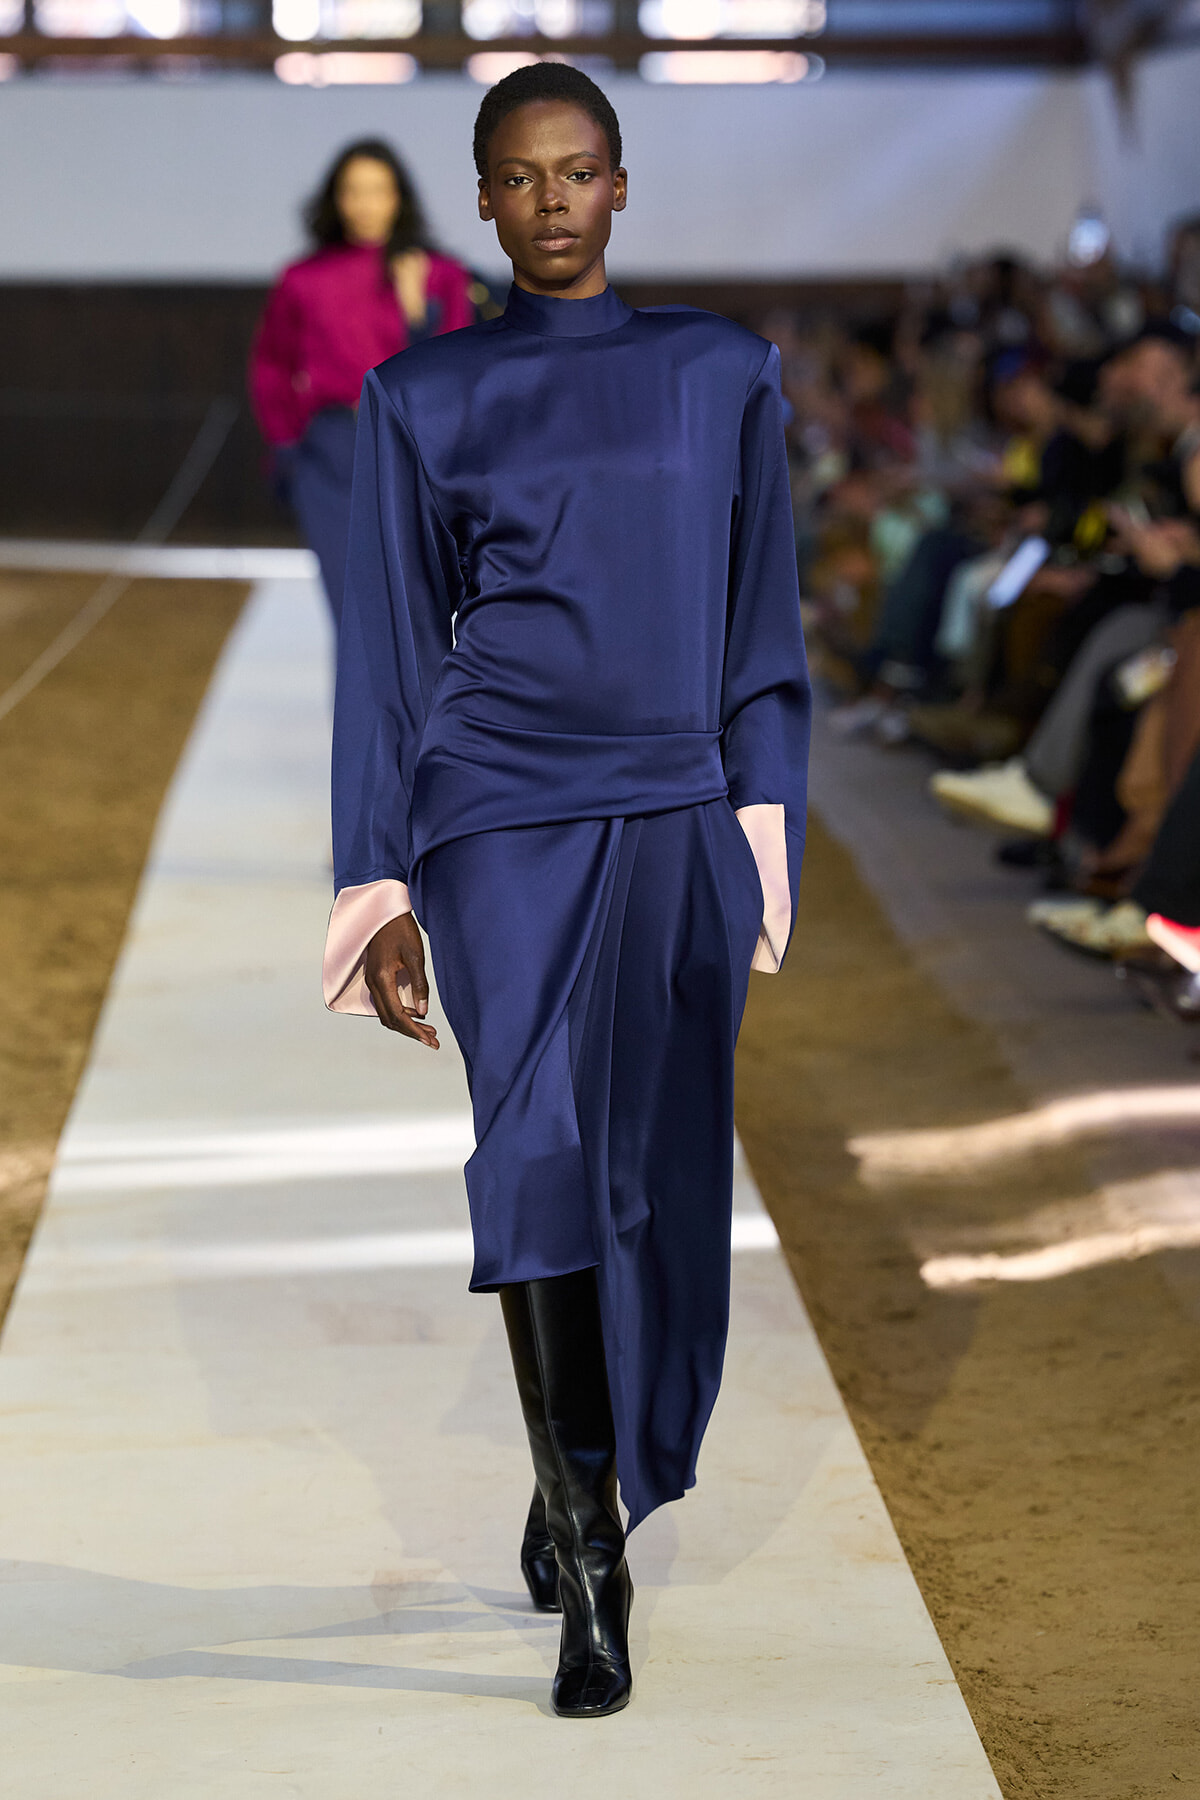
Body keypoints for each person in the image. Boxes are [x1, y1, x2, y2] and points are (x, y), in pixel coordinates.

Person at [321, 64, 810, 1718]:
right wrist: (380, 876)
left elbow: (760, 617)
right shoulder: (423, 395)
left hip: (673, 803)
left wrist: (764, 816)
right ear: (482, 198)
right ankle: (593, 1549)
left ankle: (575, 1466)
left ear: (620, 184)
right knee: (531, 1142)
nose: (551, 200)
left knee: (653, 1169)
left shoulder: (719, 373)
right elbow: (392, 653)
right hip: (499, 808)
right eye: (521, 176)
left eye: (578, 170)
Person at [249, 140, 475, 625]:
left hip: (415, 452)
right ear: (335, 199)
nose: (365, 204)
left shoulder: (440, 274)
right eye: (353, 191)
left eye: (378, 190)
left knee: (417, 613)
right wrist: (288, 444)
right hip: (333, 452)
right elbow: (272, 364)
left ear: (399, 197)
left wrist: (417, 314)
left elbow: (457, 371)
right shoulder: (304, 278)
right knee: (353, 612)